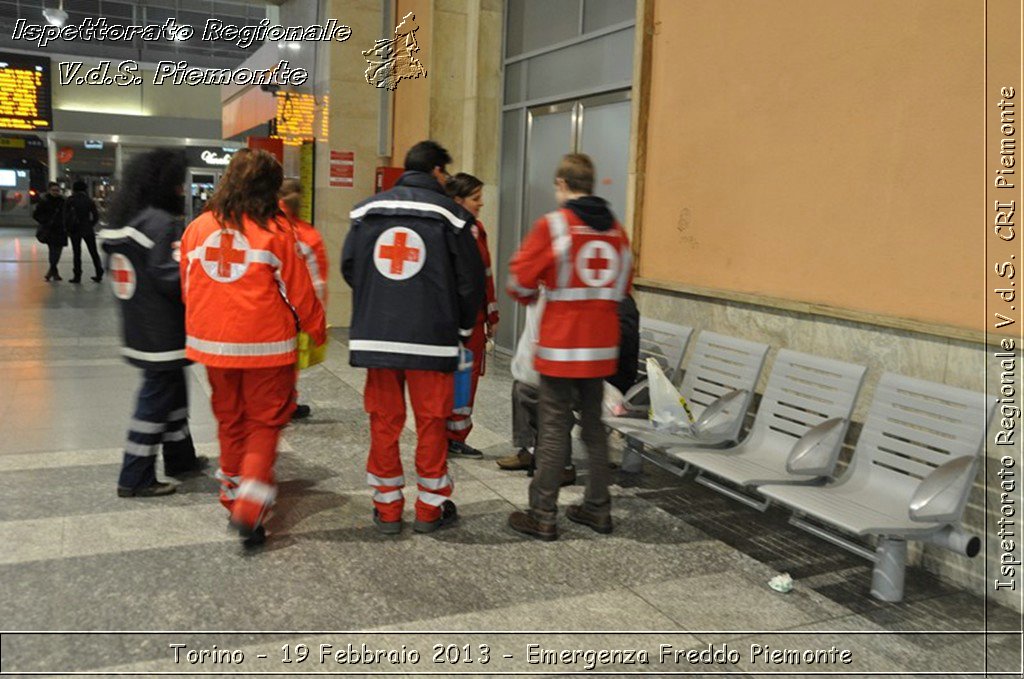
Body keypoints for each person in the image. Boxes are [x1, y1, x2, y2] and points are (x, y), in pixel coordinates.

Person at [180, 149, 326, 548]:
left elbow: (188, 286)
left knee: (230, 419)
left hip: (213, 345)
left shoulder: (198, 227)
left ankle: (231, 494)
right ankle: (250, 504)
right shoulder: (276, 231)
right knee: (265, 423)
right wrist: (317, 330)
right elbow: (300, 292)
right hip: (265, 346)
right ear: (270, 189)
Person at [342, 140, 485, 535]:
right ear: (438, 171)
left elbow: (350, 267)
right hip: (432, 338)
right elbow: (469, 281)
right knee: (431, 422)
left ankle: (387, 510)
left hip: (379, 339)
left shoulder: (366, 210)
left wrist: (380, 305)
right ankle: (429, 510)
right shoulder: (453, 217)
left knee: (384, 422)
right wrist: (460, 330)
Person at [506, 153, 633, 541]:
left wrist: (534, 296)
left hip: (561, 347)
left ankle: (542, 513)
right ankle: (598, 508)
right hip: (601, 348)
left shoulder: (555, 225)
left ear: (561, 183)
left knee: (554, 428)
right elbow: (623, 288)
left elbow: (519, 280)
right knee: (594, 429)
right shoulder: (617, 231)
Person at [99, 149, 204, 498]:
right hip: (164, 329)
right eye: (178, 183)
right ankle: (135, 475)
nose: (180, 190)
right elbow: (173, 278)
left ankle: (180, 459)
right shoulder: (161, 223)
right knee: (155, 401)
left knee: (173, 394)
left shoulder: (124, 221)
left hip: (138, 326)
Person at [497, 293, 640, 482]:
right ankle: (530, 449)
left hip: (607, 383)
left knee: (550, 393)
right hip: (583, 374)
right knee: (523, 385)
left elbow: (617, 342)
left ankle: (563, 466)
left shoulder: (620, 301)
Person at [443, 173, 499, 458]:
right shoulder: (450, 230)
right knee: (455, 379)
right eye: (476, 198)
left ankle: (454, 434)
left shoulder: (476, 229)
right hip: (456, 320)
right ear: (458, 200)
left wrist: (492, 314)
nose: (482, 204)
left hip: (471, 320)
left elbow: (485, 276)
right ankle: (447, 434)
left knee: (464, 381)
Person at [278, 178, 327, 421]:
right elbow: (317, 280)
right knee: (290, 361)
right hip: (297, 308)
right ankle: (287, 403)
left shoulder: (264, 226)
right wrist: (316, 316)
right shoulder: (308, 234)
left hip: (266, 308)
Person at [64, 180, 104, 283]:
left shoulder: (70, 200)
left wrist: (68, 228)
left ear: (74, 189)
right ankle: (99, 272)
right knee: (93, 252)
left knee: (77, 253)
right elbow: (96, 216)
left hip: (75, 230)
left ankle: (77, 276)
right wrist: (90, 224)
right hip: (87, 229)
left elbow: (65, 215)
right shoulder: (89, 200)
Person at [33, 182, 67, 281]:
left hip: (60, 229)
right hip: (50, 230)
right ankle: (52, 272)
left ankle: (53, 272)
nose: (56, 192)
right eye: (53, 190)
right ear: (49, 190)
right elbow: (36, 214)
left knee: (58, 252)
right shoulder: (44, 201)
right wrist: (45, 221)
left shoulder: (63, 201)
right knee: (53, 251)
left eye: (57, 190)